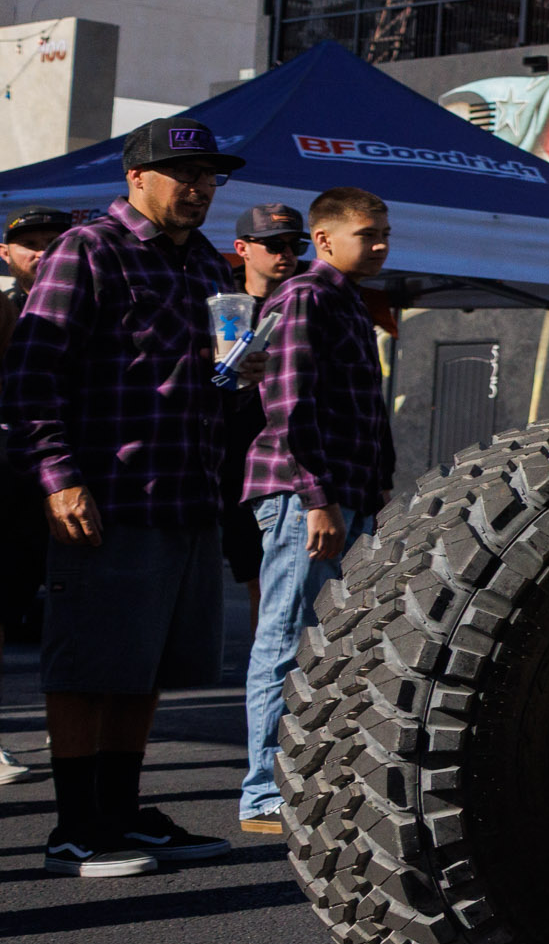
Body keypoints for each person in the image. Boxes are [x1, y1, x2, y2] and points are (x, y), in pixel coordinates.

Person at [0, 121, 245, 874]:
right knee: (88, 664)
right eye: (183, 172)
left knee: (145, 668)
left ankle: (119, 810)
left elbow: (210, 374)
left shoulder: (204, 261)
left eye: (209, 175)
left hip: (185, 492)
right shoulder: (88, 248)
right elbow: (30, 378)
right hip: (108, 492)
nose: (199, 186)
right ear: (137, 175)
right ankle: (74, 827)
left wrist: (242, 371)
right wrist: (59, 477)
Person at [235, 188, 394, 838]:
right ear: (325, 239)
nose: (381, 242)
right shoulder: (306, 295)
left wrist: (371, 492)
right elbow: (289, 405)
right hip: (306, 496)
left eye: (385, 231)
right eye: (368, 232)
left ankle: (302, 780)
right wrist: (317, 497)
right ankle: (263, 790)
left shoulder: (344, 300)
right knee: (283, 637)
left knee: (327, 644)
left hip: (342, 495)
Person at [0, 205, 74, 788]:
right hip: (9, 485)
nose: (44, 253)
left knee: (68, 608)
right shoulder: (2, 311)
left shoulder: (83, 309)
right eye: (32, 244)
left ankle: (72, 729)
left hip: (70, 481)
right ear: (7, 253)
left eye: (55, 243)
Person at [213, 202, 305, 604]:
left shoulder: (308, 299)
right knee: (253, 578)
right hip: (228, 459)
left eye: (293, 245)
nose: (285, 253)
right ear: (243, 247)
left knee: (281, 584)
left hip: (292, 460)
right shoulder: (222, 303)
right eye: (273, 244)